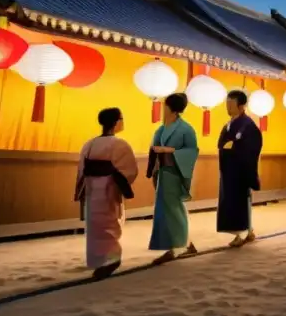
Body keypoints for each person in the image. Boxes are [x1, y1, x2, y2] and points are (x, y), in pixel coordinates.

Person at [75, 107, 138, 279]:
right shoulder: (120, 144)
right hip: (109, 187)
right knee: (110, 223)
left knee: (95, 225)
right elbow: (129, 170)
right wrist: (120, 183)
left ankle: (98, 258)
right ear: (117, 122)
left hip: (91, 187)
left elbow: (82, 169)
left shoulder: (89, 144)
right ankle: (111, 259)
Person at [147, 92, 199, 264]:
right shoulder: (161, 128)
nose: (163, 108)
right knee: (167, 210)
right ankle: (185, 242)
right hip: (162, 172)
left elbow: (192, 152)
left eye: (165, 105)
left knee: (174, 208)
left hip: (176, 171)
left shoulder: (186, 129)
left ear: (171, 108)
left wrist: (170, 151)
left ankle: (179, 246)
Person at [217, 89, 263, 248]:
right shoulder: (229, 124)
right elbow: (221, 144)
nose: (228, 107)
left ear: (242, 106)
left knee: (240, 201)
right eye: (227, 104)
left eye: (231, 104)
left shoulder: (248, 125)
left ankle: (242, 233)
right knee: (231, 201)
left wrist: (235, 149)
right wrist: (226, 148)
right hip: (229, 170)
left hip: (240, 170)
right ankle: (248, 230)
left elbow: (253, 146)